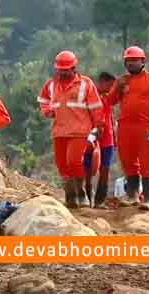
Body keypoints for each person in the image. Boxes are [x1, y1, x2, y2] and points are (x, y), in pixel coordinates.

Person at [38, 50, 105, 209]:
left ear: (74, 68)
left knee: (74, 162)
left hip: (80, 131)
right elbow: (43, 100)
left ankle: (81, 194)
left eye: (66, 69)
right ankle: (70, 197)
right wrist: (46, 110)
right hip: (59, 131)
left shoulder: (86, 84)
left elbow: (96, 108)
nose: (62, 72)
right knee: (62, 164)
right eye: (60, 69)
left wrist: (98, 129)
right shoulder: (51, 84)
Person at [104, 46, 149, 210]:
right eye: (128, 61)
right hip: (125, 127)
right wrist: (118, 88)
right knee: (127, 161)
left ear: (143, 61)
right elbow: (110, 102)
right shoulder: (122, 81)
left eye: (134, 60)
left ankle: (148, 198)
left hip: (146, 127)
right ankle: (132, 196)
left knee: (147, 162)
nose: (131, 63)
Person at [84, 72, 117, 208]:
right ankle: (86, 198)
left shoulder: (108, 99)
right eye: (110, 85)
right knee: (87, 169)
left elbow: (110, 118)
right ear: (102, 82)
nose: (111, 89)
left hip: (107, 139)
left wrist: (114, 136)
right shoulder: (89, 98)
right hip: (91, 136)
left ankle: (100, 201)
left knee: (105, 170)